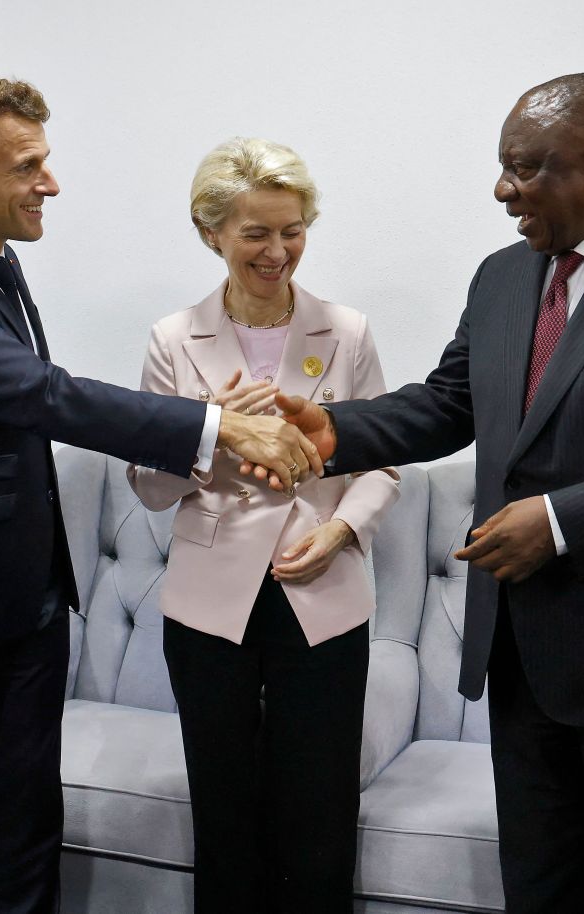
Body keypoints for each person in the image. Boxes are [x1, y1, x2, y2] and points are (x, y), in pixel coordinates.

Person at [269, 73, 584, 913]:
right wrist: (340, 434)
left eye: (524, 168)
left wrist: (560, 521)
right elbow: (449, 401)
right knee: (541, 895)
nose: (503, 189)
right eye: (503, 168)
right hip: (521, 662)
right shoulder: (505, 276)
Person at [0, 78, 320, 914]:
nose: (51, 183)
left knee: (31, 811)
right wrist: (217, 425)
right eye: (28, 166)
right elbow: (47, 395)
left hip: (27, 599)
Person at [127, 137, 398, 912]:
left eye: (292, 230)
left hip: (321, 589)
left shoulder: (346, 330)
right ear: (211, 231)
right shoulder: (172, 340)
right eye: (255, 233)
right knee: (224, 808)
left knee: (317, 811)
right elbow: (147, 487)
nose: (278, 252)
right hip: (212, 604)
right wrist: (208, 432)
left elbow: (380, 462)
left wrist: (343, 533)